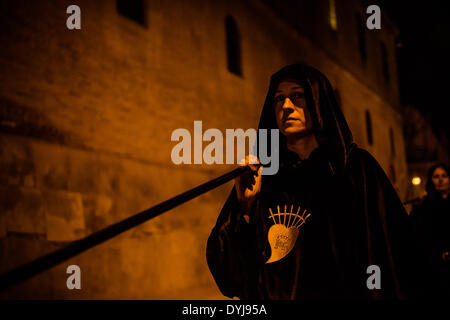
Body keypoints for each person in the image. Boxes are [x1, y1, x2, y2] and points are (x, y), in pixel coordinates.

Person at [206, 64, 423, 300]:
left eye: (297, 96)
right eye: (279, 99)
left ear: (318, 103)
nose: (286, 106)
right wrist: (245, 209)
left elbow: (397, 255)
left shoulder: (356, 169)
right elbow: (232, 276)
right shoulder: (262, 175)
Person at [410, 163, 450, 298]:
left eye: (444, 176)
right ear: (431, 180)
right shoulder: (425, 206)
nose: (440, 180)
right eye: (436, 176)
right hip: (436, 263)